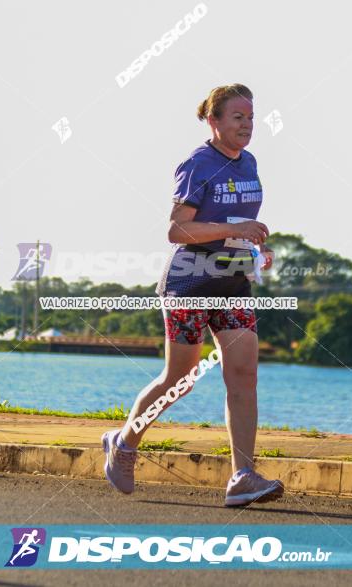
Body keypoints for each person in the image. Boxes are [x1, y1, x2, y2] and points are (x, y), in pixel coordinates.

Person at [102, 84, 284, 507]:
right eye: (237, 117)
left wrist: (256, 249)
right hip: (190, 282)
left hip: (234, 282)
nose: (247, 125)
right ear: (214, 120)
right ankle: (124, 444)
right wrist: (233, 231)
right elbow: (177, 230)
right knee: (179, 379)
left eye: (251, 118)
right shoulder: (198, 164)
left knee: (244, 374)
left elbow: (236, 222)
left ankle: (242, 475)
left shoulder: (249, 163)